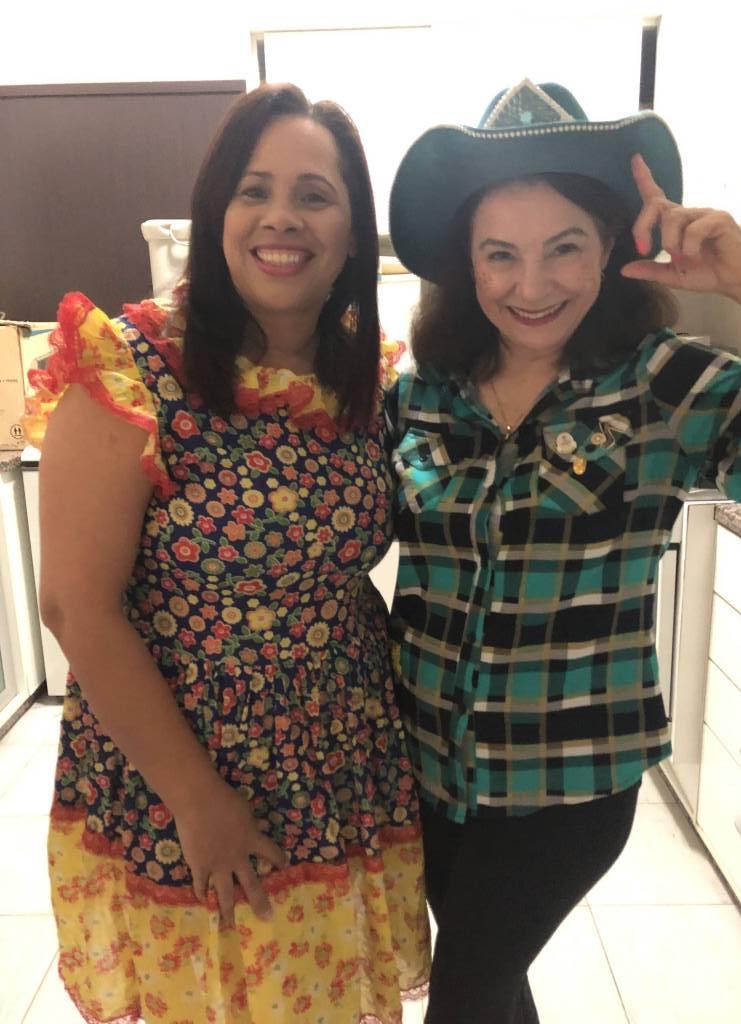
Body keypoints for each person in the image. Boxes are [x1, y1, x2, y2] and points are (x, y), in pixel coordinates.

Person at [24, 82, 430, 1024]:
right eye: (255, 190)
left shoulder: (363, 377)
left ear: (353, 234)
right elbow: (76, 607)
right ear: (216, 215)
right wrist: (197, 802)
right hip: (186, 762)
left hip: (344, 756)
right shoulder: (131, 369)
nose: (282, 217)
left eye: (315, 195)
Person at [385, 78, 741, 1024]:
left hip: (571, 783)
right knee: (493, 985)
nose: (532, 286)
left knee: (464, 995)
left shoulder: (661, 385)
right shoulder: (422, 395)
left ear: (609, 246)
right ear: (466, 263)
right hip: (428, 769)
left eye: (564, 248)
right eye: (500, 254)